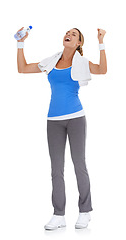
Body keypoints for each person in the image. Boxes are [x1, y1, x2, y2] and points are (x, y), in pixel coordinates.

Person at [16, 27, 107, 230]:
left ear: (79, 43)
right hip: (53, 120)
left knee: (79, 165)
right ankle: (59, 215)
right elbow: (22, 68)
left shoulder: (82, 63)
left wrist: (101, 42)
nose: (69, 34)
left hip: (76, 118)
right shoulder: (51, 62)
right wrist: (20, 43)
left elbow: (102, 70)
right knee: (56, 169)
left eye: (74, 34)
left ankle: (85, 212)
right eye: (67, 32)